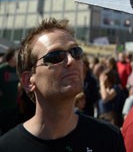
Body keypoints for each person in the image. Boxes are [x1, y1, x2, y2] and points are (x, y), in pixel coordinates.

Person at [0, 17, 125, 151]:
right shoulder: (7, 147)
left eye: (76, 52)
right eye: (55, 56)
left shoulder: (109, 138)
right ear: (28, 80)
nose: (71, 60)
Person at [0, 47, 20, 134]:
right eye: (17, 55)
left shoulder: (18, 70)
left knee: (8, 131)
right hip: (2, 106)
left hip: (13, 106)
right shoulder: (2, 68)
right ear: (11, 56)